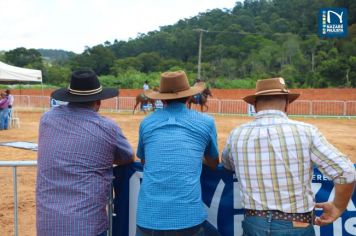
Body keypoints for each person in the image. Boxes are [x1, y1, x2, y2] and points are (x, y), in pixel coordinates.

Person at [222, 77, 356, 236]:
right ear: (287, 104)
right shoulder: (306, 132)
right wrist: (338, 207)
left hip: (253, 224)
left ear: (255, 105)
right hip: (296, 224)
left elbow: (227, 165)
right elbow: (346, 172)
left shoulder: (236, 134)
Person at [36, 69, 134, 236]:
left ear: (69, 97)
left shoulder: (47, 119)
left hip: (47, 224)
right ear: (98, 102)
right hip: (87, 225)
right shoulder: (107, 127)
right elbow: (128, 157)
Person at [136, 71, 221, 236]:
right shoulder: (206, 122)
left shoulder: (146, 122)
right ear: (189, 97)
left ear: (161, 98)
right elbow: (213, 162)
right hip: (188, 219)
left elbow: (144, 160)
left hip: (148, 218)